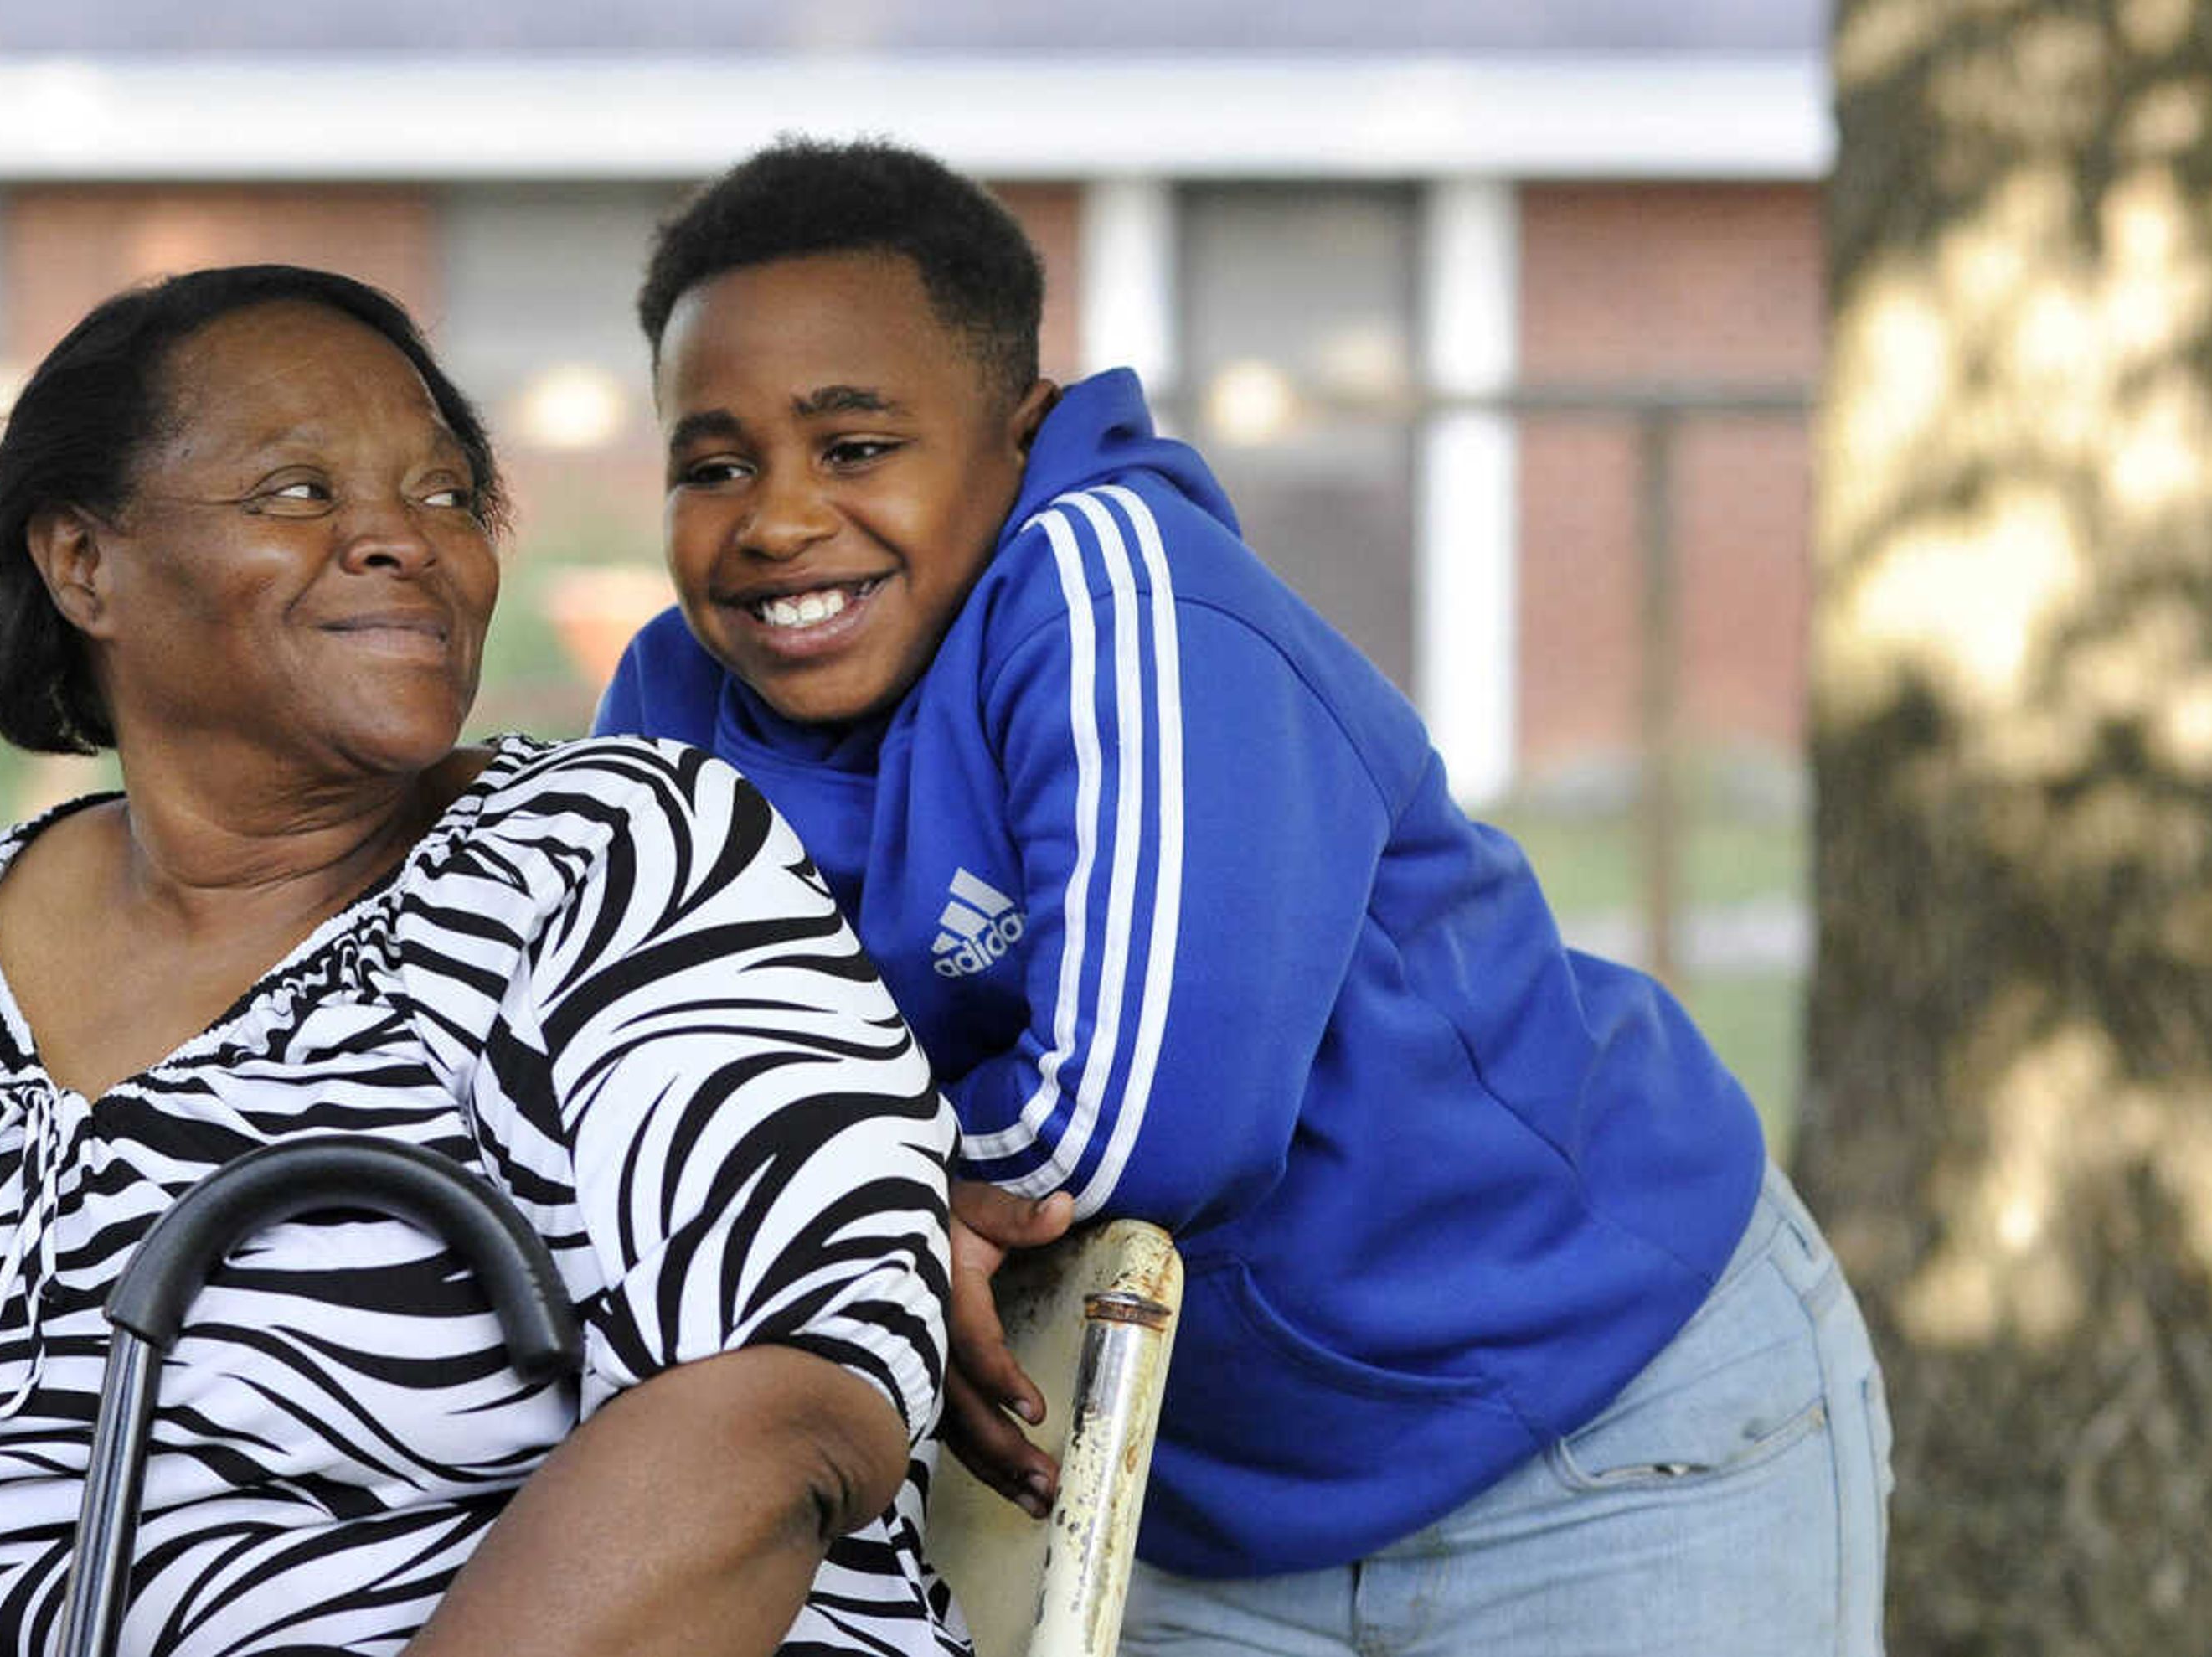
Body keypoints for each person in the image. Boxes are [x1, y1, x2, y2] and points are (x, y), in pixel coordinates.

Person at [593, 140, 1893, 1654]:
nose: (777, 518)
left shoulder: (1116, 584)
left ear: (1020, 436)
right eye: (714, 464)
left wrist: (853, 1211)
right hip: (1194, 1510)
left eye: (858, 447)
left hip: (1597, 1422)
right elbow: (647, 1101)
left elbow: (1145, 1119)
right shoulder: (673, 709)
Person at [0, 264, 970, 1657]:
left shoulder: (611, 857)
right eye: (298, 493)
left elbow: (780, 1410)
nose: (403, 542)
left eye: (442, 496)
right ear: (84, 564)